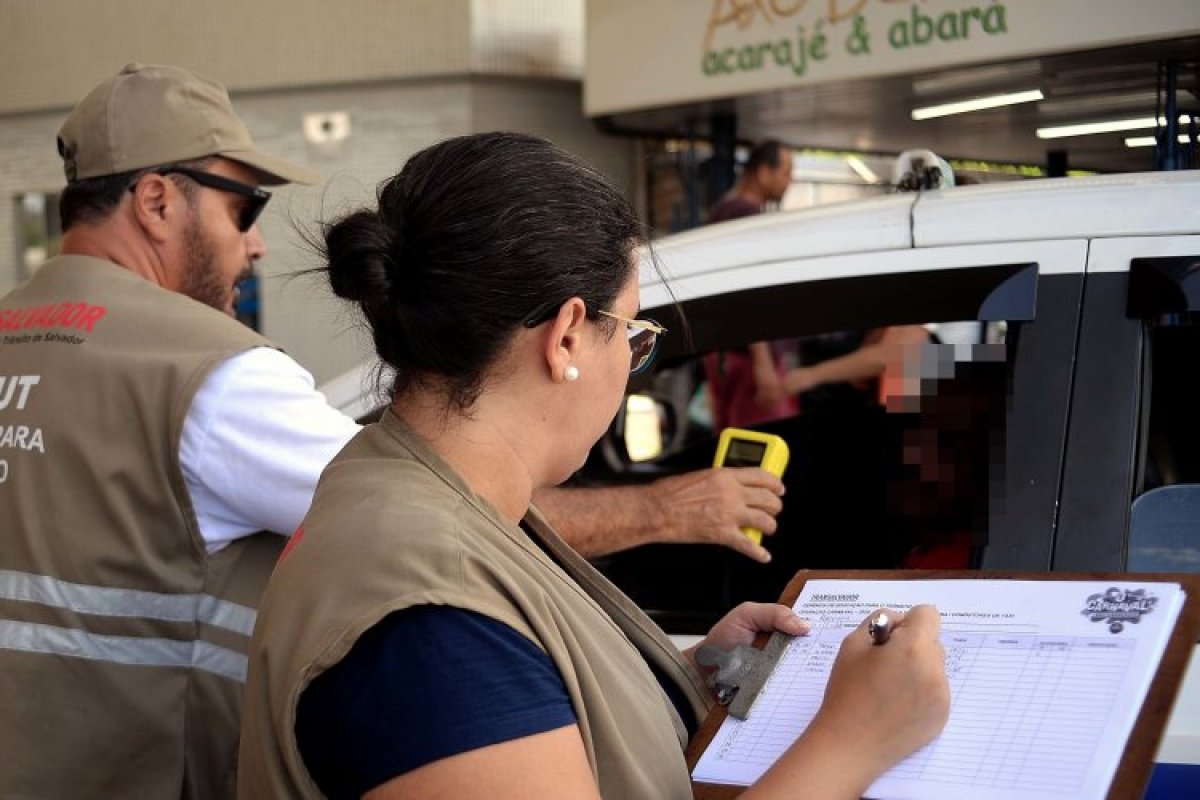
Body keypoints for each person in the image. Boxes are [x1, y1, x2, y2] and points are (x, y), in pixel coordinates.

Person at [0, 65, 781, 800]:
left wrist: (672, 670)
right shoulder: (218, 379)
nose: (258, 242)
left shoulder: (20, 335)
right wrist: (852, 735)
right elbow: (440, 554)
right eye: (246, 207)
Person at [238, 132, 950, 799]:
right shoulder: (427, 622)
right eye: (635, 334)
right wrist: (853, 741)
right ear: (569, 338)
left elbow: (524, 691)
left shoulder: (418, 491)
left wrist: (684, 676)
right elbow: (471, 676)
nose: (631, 365)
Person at [703, 140, 797, 429]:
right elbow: (746, 289)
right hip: (749, 360)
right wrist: (763, 360)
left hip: (724, 353)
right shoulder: (746, 216)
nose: (789, 181)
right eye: (786, 172)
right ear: (763, 172)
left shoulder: (721, 211)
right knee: (761, 446)